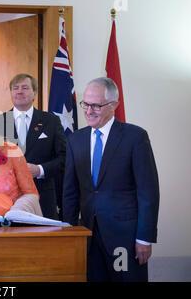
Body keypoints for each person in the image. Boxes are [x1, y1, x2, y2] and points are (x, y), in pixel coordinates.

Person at [63, 77, 159, 282]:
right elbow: (70, 193)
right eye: (86, 104)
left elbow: (148, 192)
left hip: (126, 238)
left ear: (114, 105)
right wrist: (69, 233)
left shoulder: (135, 137)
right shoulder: (75, 140)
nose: (88, 111)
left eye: (96, 105)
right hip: (88, 236)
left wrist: (145, 237)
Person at [0, 73, 66, 219]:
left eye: (25, 88)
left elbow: (64, 158)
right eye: (15, 88)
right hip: (6, 199)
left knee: (43, 240)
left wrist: (39, 170)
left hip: (42, 197)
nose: (19, 91)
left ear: (35, 93)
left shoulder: (51, 121)